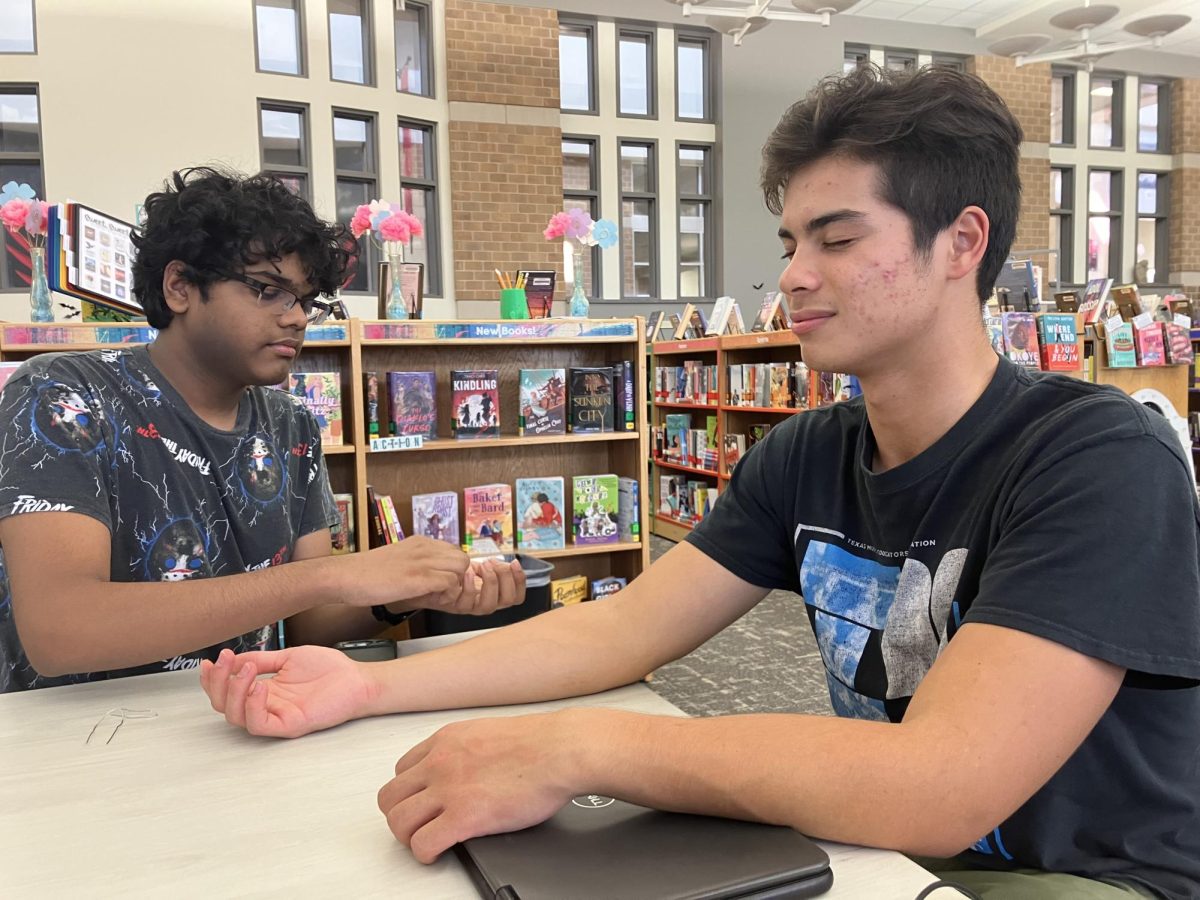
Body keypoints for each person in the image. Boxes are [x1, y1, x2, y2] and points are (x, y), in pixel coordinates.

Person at [201, 67, 1200, 898]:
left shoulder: (1096, 460)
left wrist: (574, 751)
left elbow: (942, 784)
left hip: (1090, 879)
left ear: (963, 244)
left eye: (838, 239)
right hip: (882, 854)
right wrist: (368, 683)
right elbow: (619, 630)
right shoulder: (804, 455)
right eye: (791, 244)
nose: (794, 276)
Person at [0, 167, 524, 694]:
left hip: (250, 727)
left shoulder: (290, 422)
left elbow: (305, 624)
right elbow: (59, 630)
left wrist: (400, 596)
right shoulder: (64, 393)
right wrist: (333, 576)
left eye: (305, 300)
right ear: (180, 286)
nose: (296, 317)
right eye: (269, 291)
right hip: (78, 747)